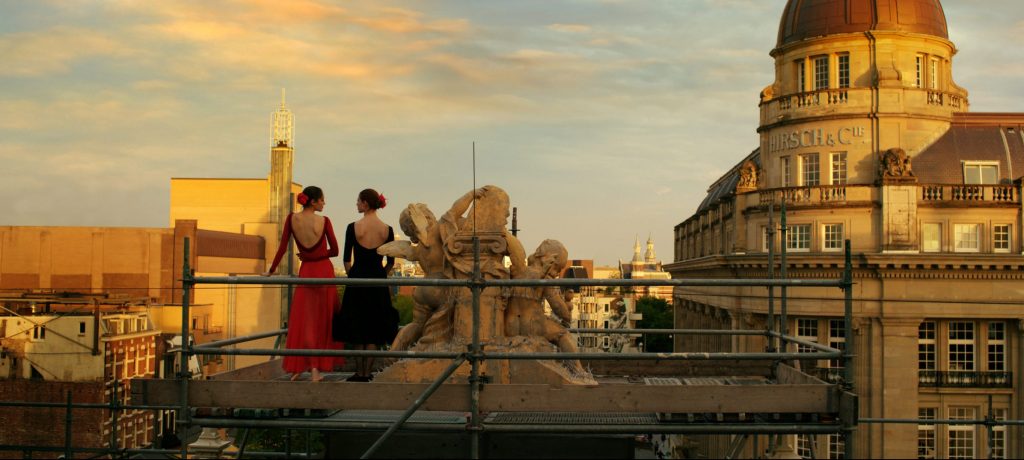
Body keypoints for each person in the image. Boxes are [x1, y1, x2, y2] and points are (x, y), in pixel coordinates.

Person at [263, 186, 344, 382]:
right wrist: (316, 255)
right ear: (313, 202)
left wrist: (271, 270)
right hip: (323, 272)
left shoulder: (292, 219)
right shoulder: (324, 221)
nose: (324, 203)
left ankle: (299, 366)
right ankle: (316, 369)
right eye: (322, 200)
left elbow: (282, 247)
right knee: (322, 321)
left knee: (305, 321)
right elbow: (334, 251)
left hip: (306, 271)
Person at [333, 188, 399, 381]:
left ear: (366, 203)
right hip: (377, 279)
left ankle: (358, 372)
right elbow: (391, 262)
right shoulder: (387, 229)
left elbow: (346, 259)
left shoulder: (352, 227)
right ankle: (367, 373)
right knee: (373, 328)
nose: (356, 204)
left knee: (357, 326)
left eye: (358, 201)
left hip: (357, 279)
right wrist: (381, 275)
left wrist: (353, 275)